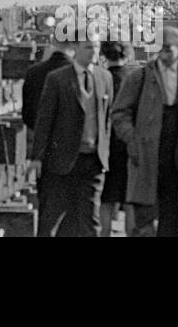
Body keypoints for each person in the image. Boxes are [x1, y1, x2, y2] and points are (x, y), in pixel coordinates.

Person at [112, 26, 178, 237]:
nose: (166, 52)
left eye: (170, 48)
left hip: (177, 156)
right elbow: (120, 113)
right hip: (145, 155)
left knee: (171, 218)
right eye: (162, 48)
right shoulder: (140, 77)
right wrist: (131, 138)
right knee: (143, 216)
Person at [29, 35, 113, 236]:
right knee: (52, 217)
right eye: (87, 47)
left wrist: (104, 152)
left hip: (92, 161)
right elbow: (45, 120)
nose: (92, 52)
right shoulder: (58, 79)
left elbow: (107, 118)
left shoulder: (104, 77)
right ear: (75, 48)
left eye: (95, 47)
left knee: (90, 219)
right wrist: (37, 157)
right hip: (62, 161)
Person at [98, 40, 134, 237]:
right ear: (127, 55)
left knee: (106, 196)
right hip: (128, 144)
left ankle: (105, 233)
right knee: (129, 197)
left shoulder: (100, 78)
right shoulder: (134, 78)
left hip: (105, 145)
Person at [22, 38, 74, 135]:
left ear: (52, 41)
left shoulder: (33, 72)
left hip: (38, 135)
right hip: (69, 138)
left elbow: (27, 114)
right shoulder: (78, 74)